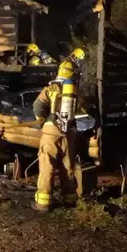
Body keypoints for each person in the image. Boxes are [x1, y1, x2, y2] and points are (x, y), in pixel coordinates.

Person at [31, 47, 86, 212]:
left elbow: (37, 106)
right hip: (69, 133)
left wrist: (41, 120)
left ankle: (43, 202)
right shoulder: (76, 93)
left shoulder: (51, 89)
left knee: (47, 165)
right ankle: (70, 199)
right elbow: (83, 111)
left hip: (50, 131)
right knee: (67, 166)